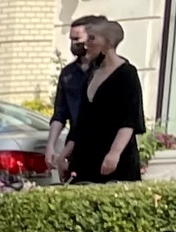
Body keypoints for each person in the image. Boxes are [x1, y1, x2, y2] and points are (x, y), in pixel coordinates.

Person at [67, 16, 143, 184]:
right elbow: (81, 122)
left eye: (92, 38)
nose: (87, 44)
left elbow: (129, 120)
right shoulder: (92, 74)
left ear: (107, 43)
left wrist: (114, 153)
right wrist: (64, 154)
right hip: (86, 159)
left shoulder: (127, 74)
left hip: (115, 162)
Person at [45, 18, 91, 179]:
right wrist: (50, 145)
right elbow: (60, 113)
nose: (73, 44)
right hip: (74, 148)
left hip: (97, 144)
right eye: (71, 39)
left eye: (77, 39)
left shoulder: (104, 71)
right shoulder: (68, 74)